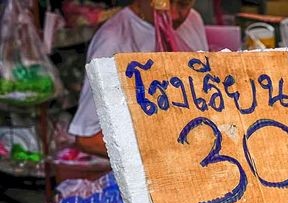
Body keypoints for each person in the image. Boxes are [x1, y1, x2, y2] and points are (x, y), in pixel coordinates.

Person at [69, 0, 208, 157]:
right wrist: (161, 155)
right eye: (162, 5)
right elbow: (88, 138)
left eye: (184, 4)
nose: (174, 15)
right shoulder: (113, 42)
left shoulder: (193, 21)